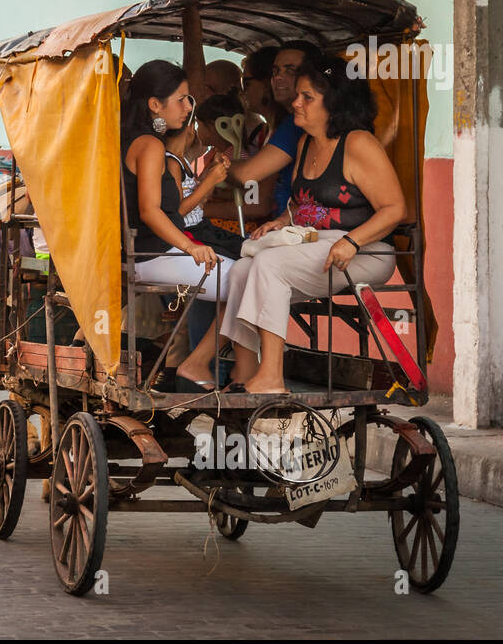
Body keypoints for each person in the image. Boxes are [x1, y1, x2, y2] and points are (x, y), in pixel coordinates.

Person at [212, 55, 404, 393]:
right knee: (242, 269)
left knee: (269, 264)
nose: (296, 103)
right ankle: (245, 372)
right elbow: (303, 205)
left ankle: (272, 377)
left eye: (307, 98)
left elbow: (394, 209)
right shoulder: (305, 143)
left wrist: (352, 242)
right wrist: (280, 221)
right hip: (316, 244)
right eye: (298, 95)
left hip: (365, 252)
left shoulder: (358, 144)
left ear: (334, 104)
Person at [122, 60, 235, 297]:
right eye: (181, 99)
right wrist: (190, 246)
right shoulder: (150, 145)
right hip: (152, 255)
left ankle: (206, 337)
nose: (188, 107)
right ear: (155, 104)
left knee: (248, 276)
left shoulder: (135, 139)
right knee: (248, 281)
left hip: (146, 254)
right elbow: (149, 211)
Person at [228, 40, 323, 223]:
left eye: (290, 71)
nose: (278, 78)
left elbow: (248, 176)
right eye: (275, 71)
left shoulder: (298, 125)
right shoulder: (287, 123)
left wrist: (220, 164)